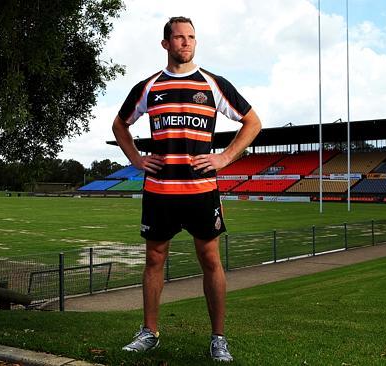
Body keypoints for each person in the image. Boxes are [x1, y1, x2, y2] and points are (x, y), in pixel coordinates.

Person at [112, 16, 262, 362]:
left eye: (191, 37)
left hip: (200, 190)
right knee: (154, 259)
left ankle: (219, 338)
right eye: (179, 37)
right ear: (166, 44)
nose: (186, 42)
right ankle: (149, 332)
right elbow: (120, 123)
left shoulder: (213, 84)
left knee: (210, 259)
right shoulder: (149, 86)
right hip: (160, 191)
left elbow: (252, 122)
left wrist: (225, 157)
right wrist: (135, 158)